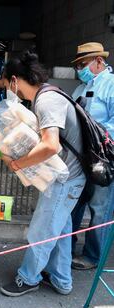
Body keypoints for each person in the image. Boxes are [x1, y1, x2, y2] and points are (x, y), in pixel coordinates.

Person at [0, 52, 86, 297]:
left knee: (42, 229)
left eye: (8, 86)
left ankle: (28, 278)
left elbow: (51, 146)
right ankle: (61, 280)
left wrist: (19, 164)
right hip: (70, 175)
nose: (10, 91)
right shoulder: (47, 93)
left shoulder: (46, 101)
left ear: (15, 80)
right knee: (59, 229)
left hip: (66, 178)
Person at [70, 42, 114, 270]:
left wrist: (95, 131)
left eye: (83, 64)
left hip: (103, 157)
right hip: (80, 156)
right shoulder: (81, 88)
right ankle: (67, 248)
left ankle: (91, 256)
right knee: (75, 203)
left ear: (99, 60)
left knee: (99, 207)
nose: (80, 69)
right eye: (78, 65)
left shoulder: (111, 85)